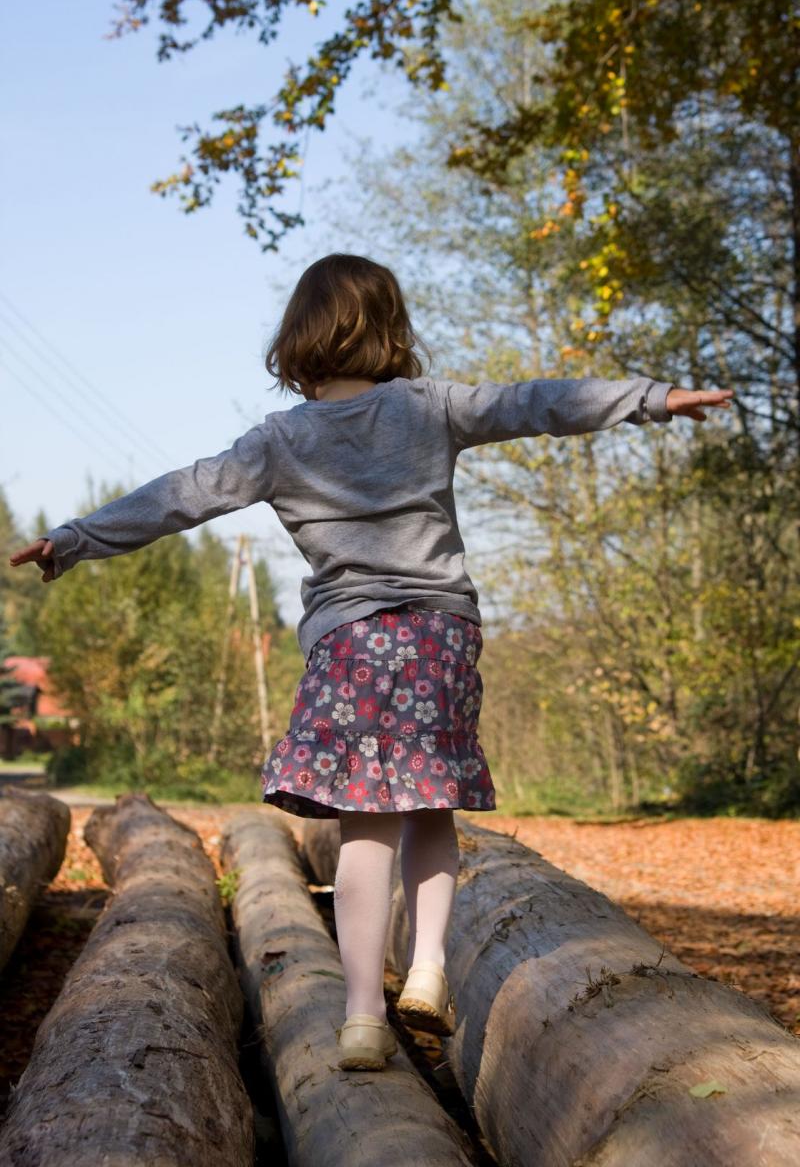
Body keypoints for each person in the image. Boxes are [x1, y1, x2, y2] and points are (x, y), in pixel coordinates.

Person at [10, 252, 734, 1071]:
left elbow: (183, 494)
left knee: (366, 826)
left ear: (299, 339)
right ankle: (425, 965)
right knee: (430, 812)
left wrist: (74, 539)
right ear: (390, 330)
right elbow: (539, 403)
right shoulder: (431, 408)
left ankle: (361, 1016)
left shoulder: (279, 440)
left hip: (352, 647)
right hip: (439, 640)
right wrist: (653, 399)